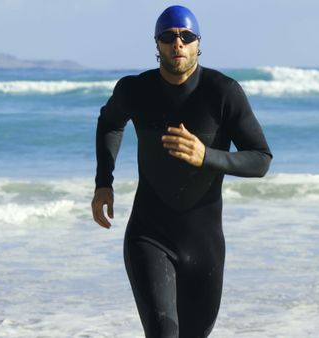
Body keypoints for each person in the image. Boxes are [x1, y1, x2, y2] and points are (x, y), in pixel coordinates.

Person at [91, 5, 272, 337]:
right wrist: (104, 182)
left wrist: (207, 156)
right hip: (149, 236)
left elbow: (260, 159)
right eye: (169, 37)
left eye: (186, 37)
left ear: (198, 44)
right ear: (157, 45)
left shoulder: (223, 92)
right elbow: (109, 123)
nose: (178, 44)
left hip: (205, 246)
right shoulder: (135, 90)